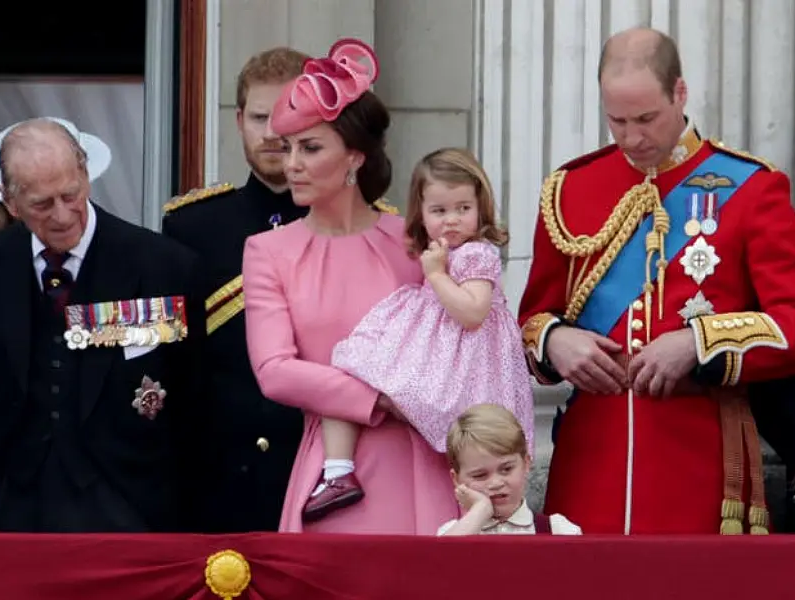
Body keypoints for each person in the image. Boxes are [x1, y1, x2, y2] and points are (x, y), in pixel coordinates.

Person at [518, 27, 795, 534]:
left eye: (647, 118)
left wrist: (698, 343)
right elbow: (529, 320)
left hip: (701, 460)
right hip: (589, 459)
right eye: (616, 121)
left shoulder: (753, 188)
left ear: (680, 93)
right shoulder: (570, 189)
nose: (632, 137)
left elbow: (791, 324)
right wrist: (556, 340)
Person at [242, 38, 459, 534]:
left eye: (310, 147)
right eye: (289, 147)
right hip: (337, 473)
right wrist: (380, 400)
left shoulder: (412, 243)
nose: (291, 163)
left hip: (423, 460)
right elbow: (275, 371)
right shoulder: (268, 251)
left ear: (355, 158)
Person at [0, 118, 206, 533]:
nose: (63, 216)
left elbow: (194, 400)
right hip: (9, 514)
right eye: (42, 205)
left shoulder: (162, 267)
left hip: (129, 509)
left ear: (85, 173)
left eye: (71, 194)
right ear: (11, 203)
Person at [320, 147, 535, 521]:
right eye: (439, 211)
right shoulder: (440, 250)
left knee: (471, 438)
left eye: (463, 208)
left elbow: (472, 313)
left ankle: (485, 514)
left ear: (480, 206)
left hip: (469, 363)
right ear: (420, 212)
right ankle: (337, 469)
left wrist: (435, 276)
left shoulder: (476, 253)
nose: (452, 220)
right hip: (442, 349)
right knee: (354, 365)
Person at [162, 46, 312, 533]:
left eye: (287, 117)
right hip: (219, 475)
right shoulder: (190, 224)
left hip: (318, 466)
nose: (272, 133)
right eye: (259, 117)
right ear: (238, 120)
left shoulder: (355, 224)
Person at [437, 404, 580, 536]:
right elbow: (439, 559)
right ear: (456, 479)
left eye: (506, 469)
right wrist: (481, 509)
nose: (496, 483)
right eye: (480, 475)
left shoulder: (559, 529)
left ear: (526, 463)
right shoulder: (452, 532)